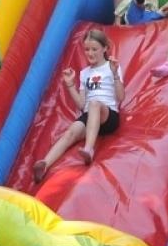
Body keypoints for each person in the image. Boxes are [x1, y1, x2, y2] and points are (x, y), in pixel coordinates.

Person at [33, 29, 124, 179]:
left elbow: (120, 97)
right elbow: (82, 105)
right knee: (72, 131)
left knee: (95, 104)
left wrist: (114, 74)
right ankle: (45, 164)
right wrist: (70, 85)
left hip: (108, 116)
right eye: (87, 49)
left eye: (94, 49)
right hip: (90, 115)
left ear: (105, 48)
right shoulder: (84, 73)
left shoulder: (111, 67)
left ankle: (88, 149)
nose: (90, 53)